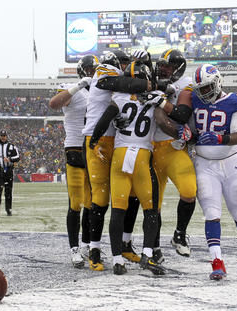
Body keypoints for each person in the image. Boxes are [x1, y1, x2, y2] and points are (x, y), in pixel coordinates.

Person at [89, 62, 164, 275]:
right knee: (150, 209)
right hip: (141, 155)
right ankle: (147, 255)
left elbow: (104, 120)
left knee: (118, 209)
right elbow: (165, 119)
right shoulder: (155, 96)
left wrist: (94, 142)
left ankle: (117, 260)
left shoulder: (119, 98)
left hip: (120, 156)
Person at [189, 64, 237, 280]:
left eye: (207, 87)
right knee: (211, 213)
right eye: (200, 88)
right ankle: (217, 262)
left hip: (231, 162)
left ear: (218, 82)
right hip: (204, 164)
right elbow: (191, 130)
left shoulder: (235, 102)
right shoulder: (193, 99)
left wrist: (219, 138)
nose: (203, 93)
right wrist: (186, 132)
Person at [48, 54, 97, 268]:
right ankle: (74, 249)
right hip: (76, 147)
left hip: (95, 150)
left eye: (94, 69)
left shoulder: (102, 91)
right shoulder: (71, 87)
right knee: (75, 203)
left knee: (92, 204)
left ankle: (86, 245)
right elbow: (54, 104)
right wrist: (79, 86)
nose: (91, 73)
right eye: (88, 69)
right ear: (81, 70)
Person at [152, 49, 197, 258]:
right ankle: (153, 245)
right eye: (160, 66)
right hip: (150, 148)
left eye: (167, 66)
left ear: (177, 69)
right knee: (153, 204)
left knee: (189, 192)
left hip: (173, 147)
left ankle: (179, 234)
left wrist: (163, 100)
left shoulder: (184, 84)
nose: (161, 70)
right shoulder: (151, 80)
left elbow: (182, 114)